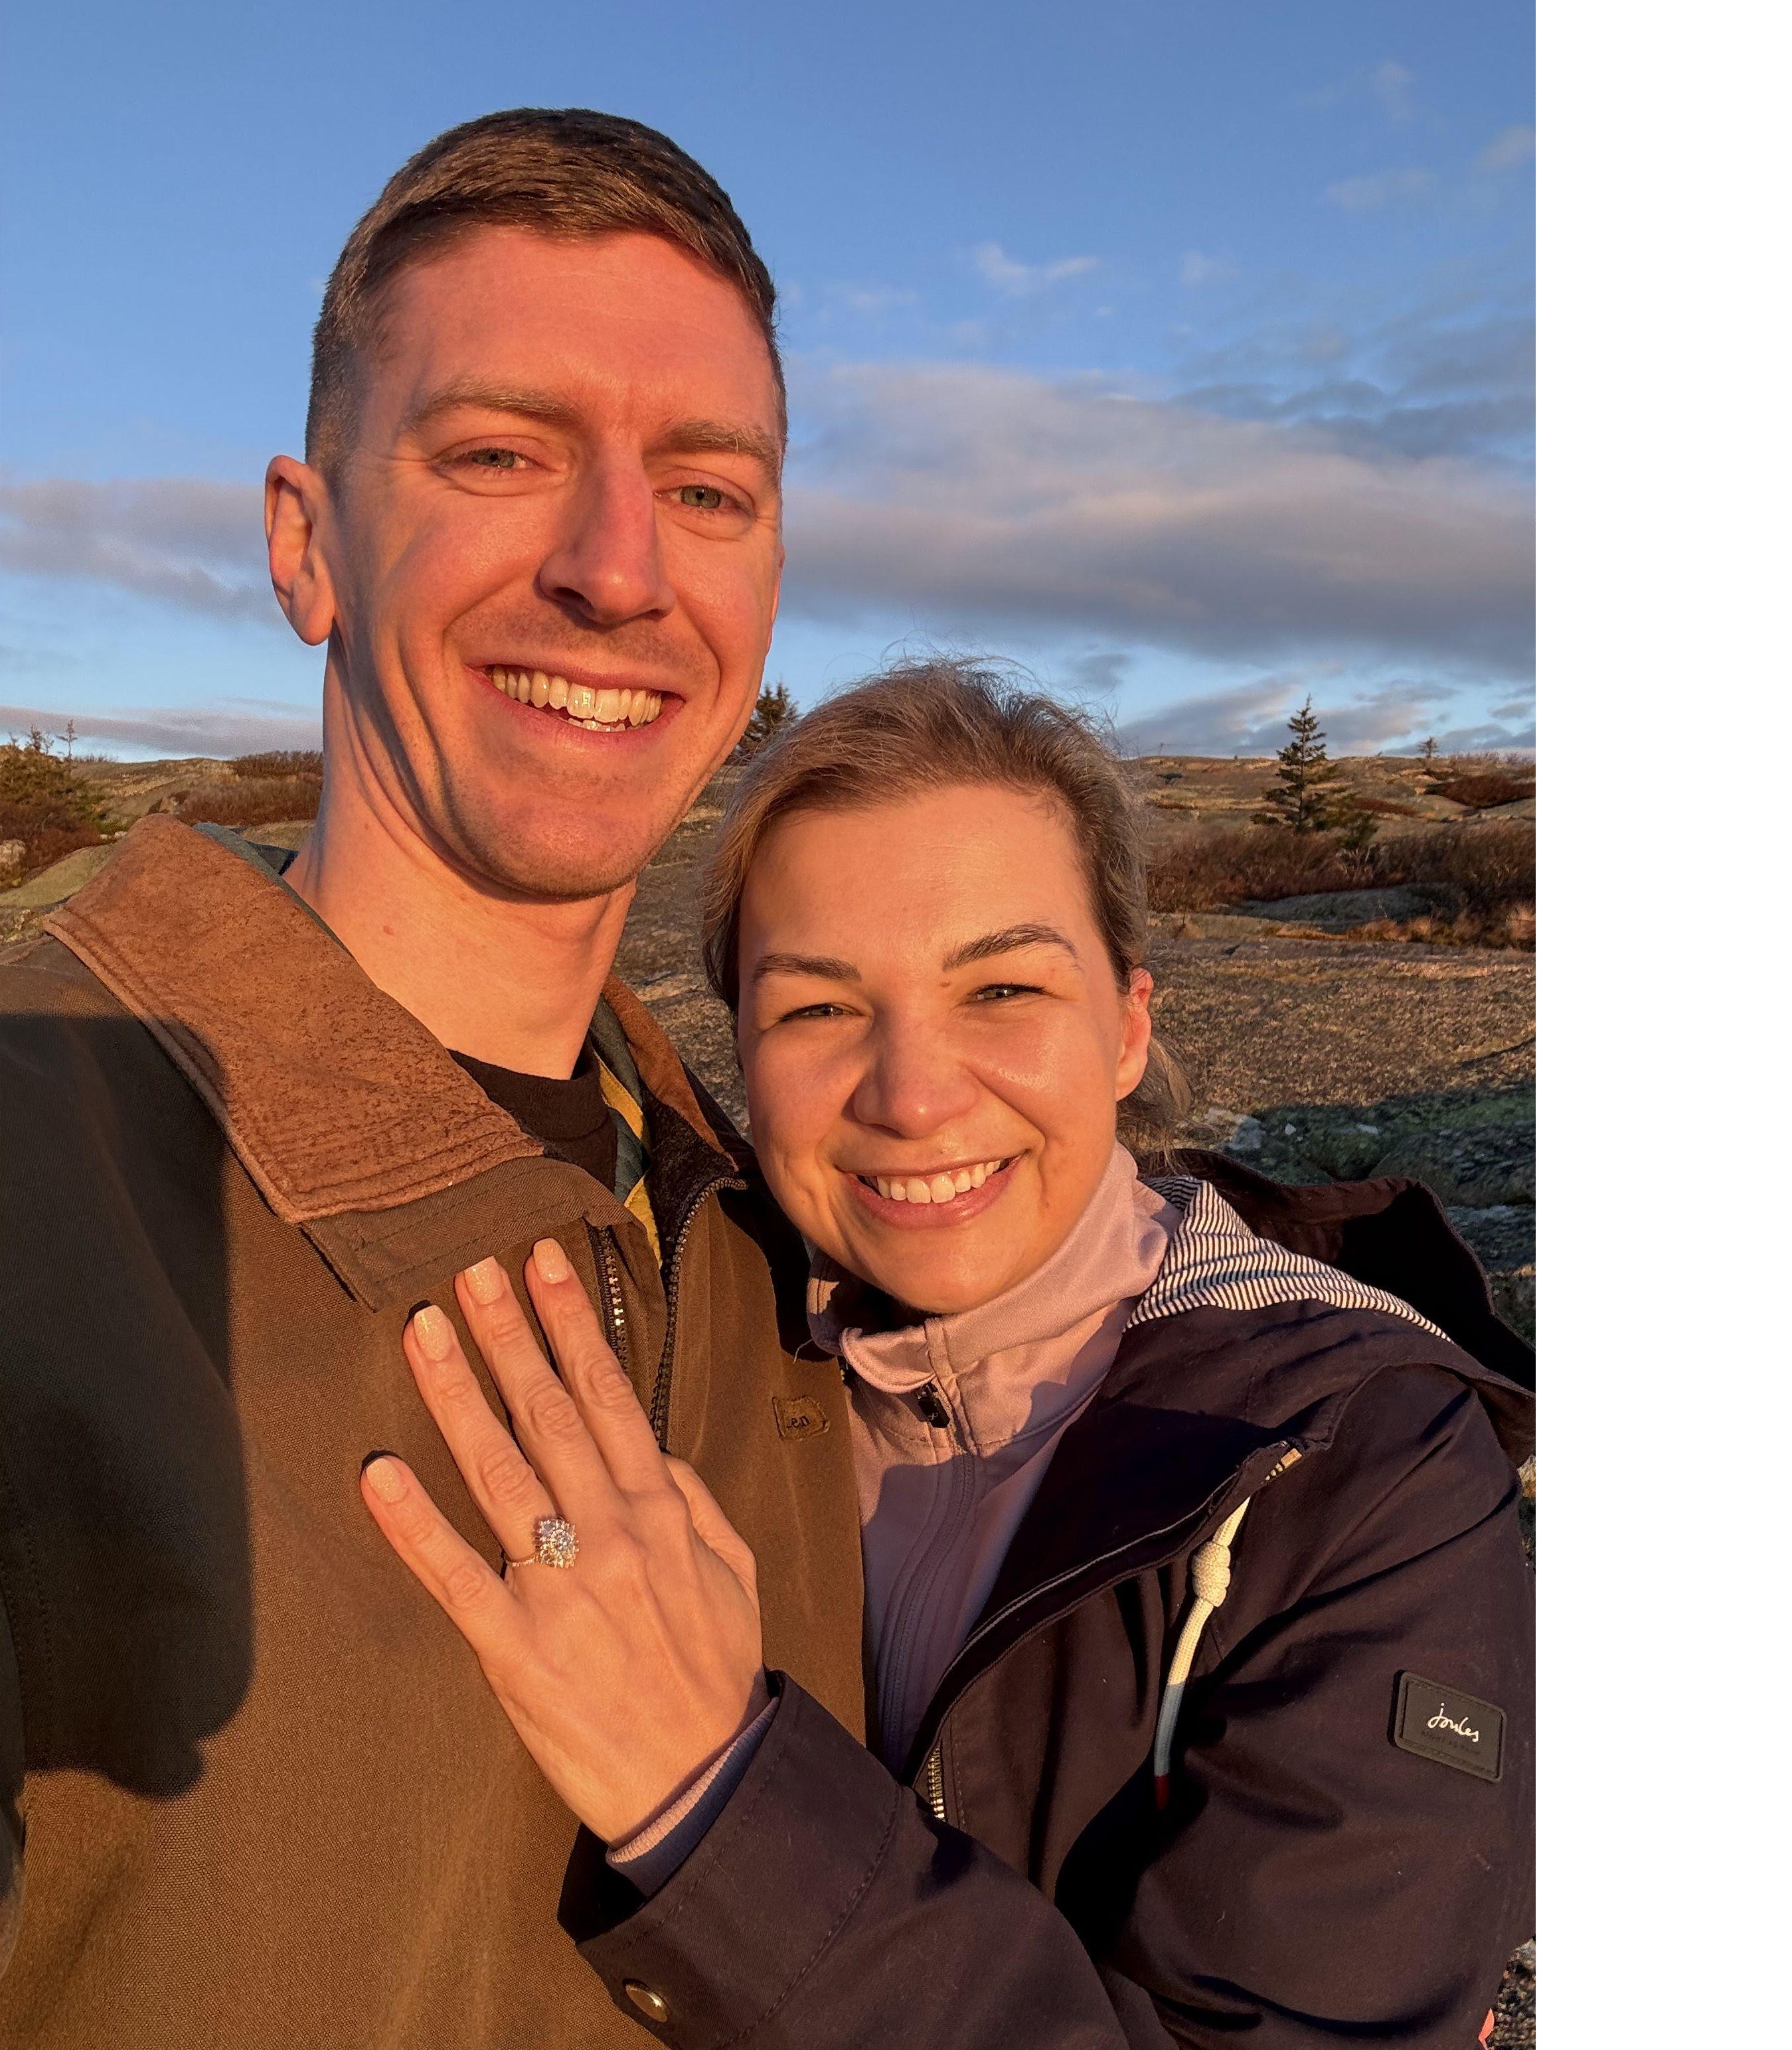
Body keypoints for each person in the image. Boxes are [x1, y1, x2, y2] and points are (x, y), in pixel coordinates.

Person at [0, 110, 872, 2047]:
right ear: (306, 547)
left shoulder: (763, 1249)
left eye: (709, 490)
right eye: (500, 456)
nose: (619, 571)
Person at [362, 663, 1536, 2049]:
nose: (912, 1095)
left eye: (1000, 986)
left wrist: (715, 1801)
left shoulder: (1365, 1471)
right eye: (814, 1007)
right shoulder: (712, 1337)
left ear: (1127, 1025)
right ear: (738, 1049)